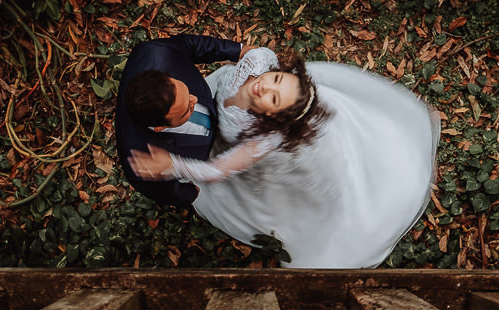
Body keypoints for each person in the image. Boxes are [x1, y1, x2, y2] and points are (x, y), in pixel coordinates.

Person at [129, 47, 441, 269]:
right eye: (277, 80)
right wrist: (238, 52)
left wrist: (173, 165)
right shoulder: (258, 62)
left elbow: (218, 170)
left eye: (273, 99)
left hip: (246, 151)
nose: (264, 86)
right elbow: (260, 58)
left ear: (270, 117)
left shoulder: (263, 140)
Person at [115, 34, 252, 208]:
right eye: (187, 110)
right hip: (205, 157)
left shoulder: (157, 52)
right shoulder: (141, 161)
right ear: (159, 127)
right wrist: (190, 194)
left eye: (185, 92)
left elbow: (191, 45)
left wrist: (237, 50)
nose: (195, 99)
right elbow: (166, 192)